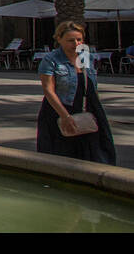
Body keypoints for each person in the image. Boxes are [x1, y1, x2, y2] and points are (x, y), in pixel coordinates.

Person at [37, 21, 117, 164]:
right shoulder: (52, 60)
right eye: (70, 40)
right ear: (59, 39)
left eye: (79, 39)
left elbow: (91, 85)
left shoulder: (85, 56)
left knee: (97, 152)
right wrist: (65, 116)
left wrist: (97, 112)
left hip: (88, 107)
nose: (75, 43)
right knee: (62, 152)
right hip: (62, 107)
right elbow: (49, 90)